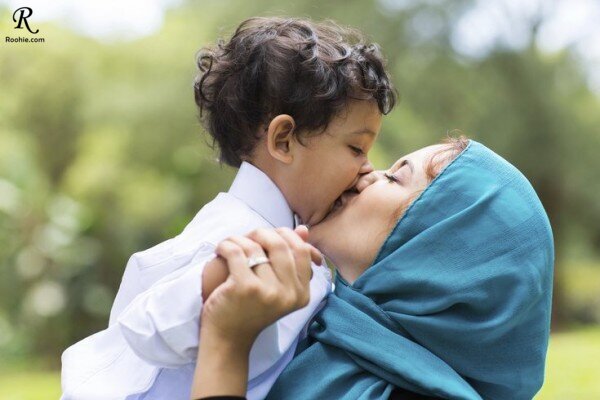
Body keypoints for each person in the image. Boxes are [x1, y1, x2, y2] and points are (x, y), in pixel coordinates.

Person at [60, 17, 396, 400]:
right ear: (284, 140)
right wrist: (222, 275)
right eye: (356, 149)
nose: (367, 168)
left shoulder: (284, 234)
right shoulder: (234, 238)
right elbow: (144, 326)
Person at [191, 137, 554, 400]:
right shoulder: (316, 327)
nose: (364, 171)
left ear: (435, 244)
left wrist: (225, 344)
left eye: (395, 178)